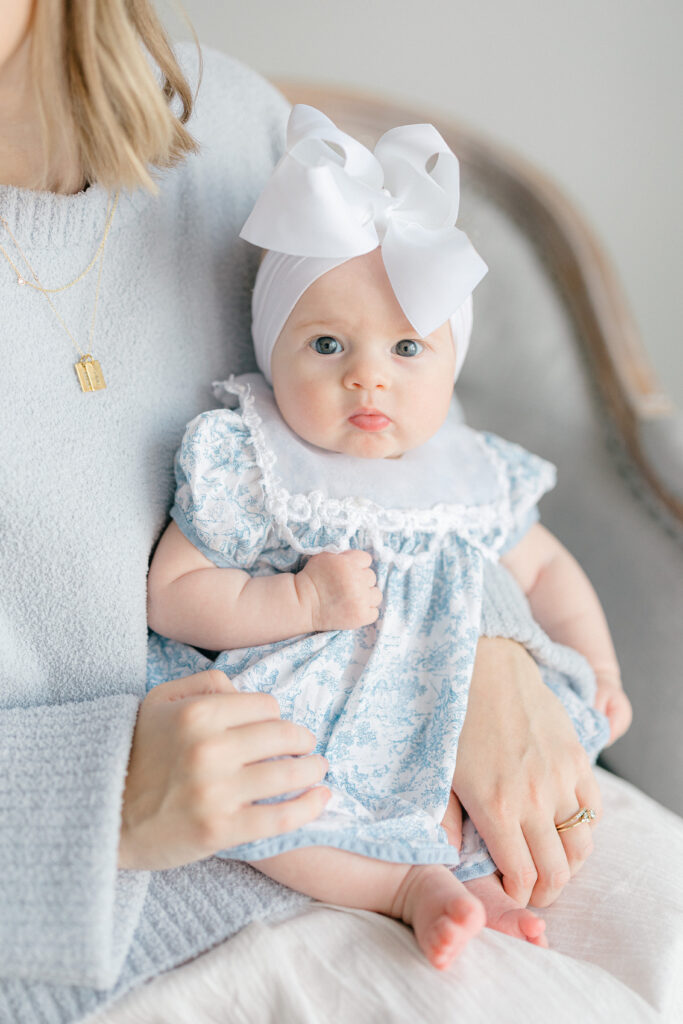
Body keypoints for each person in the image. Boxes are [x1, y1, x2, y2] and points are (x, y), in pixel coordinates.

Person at [2, 2, 660, 1021]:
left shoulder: (235, 134)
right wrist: (92, 801)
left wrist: (480, 638)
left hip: (422, 785)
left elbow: (394, 446)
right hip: (101, 934)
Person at [145, 105, 625, 969]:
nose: (367, 374)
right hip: (311, 708)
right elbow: (173, 590)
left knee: (504, 797)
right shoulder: (252, 459)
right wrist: (295, 598)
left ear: (451, 363)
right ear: (269, 350)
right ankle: (395, 888)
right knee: (267, 804)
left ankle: (469, 876)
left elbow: (547, 569)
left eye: (407, 348)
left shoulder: (472, 468)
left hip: (443, 716)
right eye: (326, 343)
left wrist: (604, 667)